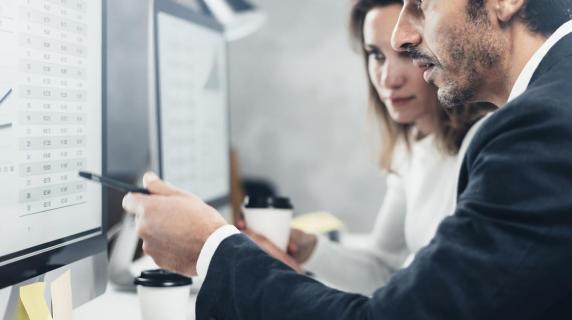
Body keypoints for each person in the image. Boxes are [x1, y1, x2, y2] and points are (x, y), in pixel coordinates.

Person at [122, 0, 572, 318]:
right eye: (376, 54)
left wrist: (210, 247)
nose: (403, 36)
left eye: (421, 3)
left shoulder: (538, 127)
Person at [242, 0, 494, 295]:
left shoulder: (483, 144)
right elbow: (383, 270)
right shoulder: (410, 151)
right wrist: (308, 248)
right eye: (376, 55)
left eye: (405, 54)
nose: (388, 79)